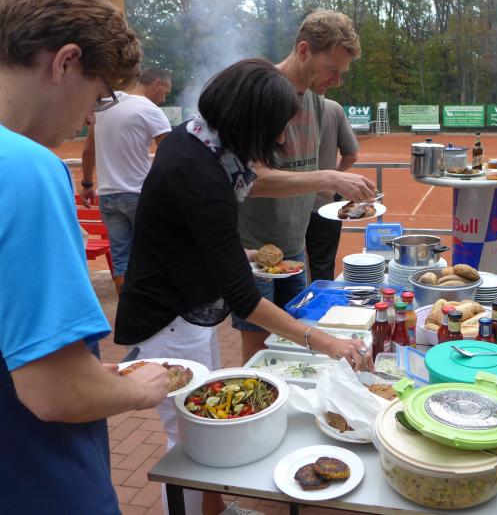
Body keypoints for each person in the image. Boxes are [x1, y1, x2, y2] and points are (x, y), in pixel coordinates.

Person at [115, 59, 374, 515]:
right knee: (188, 439)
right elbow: (245, 299)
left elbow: (188, 231)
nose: (279, 138)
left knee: (201, 430)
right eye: (275, 128)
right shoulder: (201, 173)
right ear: (249, 120)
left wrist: (243, 254)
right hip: (168, 318)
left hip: (183, 306)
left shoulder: (197, 142)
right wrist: (326, 342)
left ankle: (215, 509)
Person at [0, 0, 170, 513]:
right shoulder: (25, 168)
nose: (90, 119)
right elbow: (57, 392)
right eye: (97, 97)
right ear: (66, 62)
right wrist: (140, 390)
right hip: (39, 483)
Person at [235, 10, 376, 363]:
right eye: (332, 69)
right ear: (303, 51)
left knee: (297, 346)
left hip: (295, 248)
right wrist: (330, 177)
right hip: (255, 250)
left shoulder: (316, 100)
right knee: (260, 353)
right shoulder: (260, 95)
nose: (337, 80)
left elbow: (301, 172)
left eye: (342, 72)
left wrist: (333, 184)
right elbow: (253, 180)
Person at [80, 67, 173, 294]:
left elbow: (89, 149)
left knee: (121, 258)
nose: (164, 99)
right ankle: (154, 305)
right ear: (157, 83)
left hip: (107, 195)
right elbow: (170, 155)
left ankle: (128, 306)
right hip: (140, 194)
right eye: (166, 92)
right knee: (156, 253)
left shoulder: (104, 105)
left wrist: (87, 184)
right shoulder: (149, 109)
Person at [305, 98, 360, 282]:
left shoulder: (282, 102)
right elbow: (351, 155)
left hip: (286, 204)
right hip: (325, 204)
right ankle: (321, 300)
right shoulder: (333, 108)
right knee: (323, 265)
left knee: (288, 266)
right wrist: (332, 177)